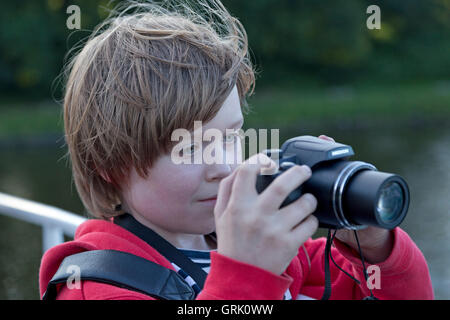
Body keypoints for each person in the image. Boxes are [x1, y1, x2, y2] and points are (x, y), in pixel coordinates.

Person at [39, 0, 433, 300]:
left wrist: (374, 243)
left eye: (230, 137)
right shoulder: (93, 287)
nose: (223, 166)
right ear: (112, 165)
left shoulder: (269, 247)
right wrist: (245, 273)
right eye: (189, 147)